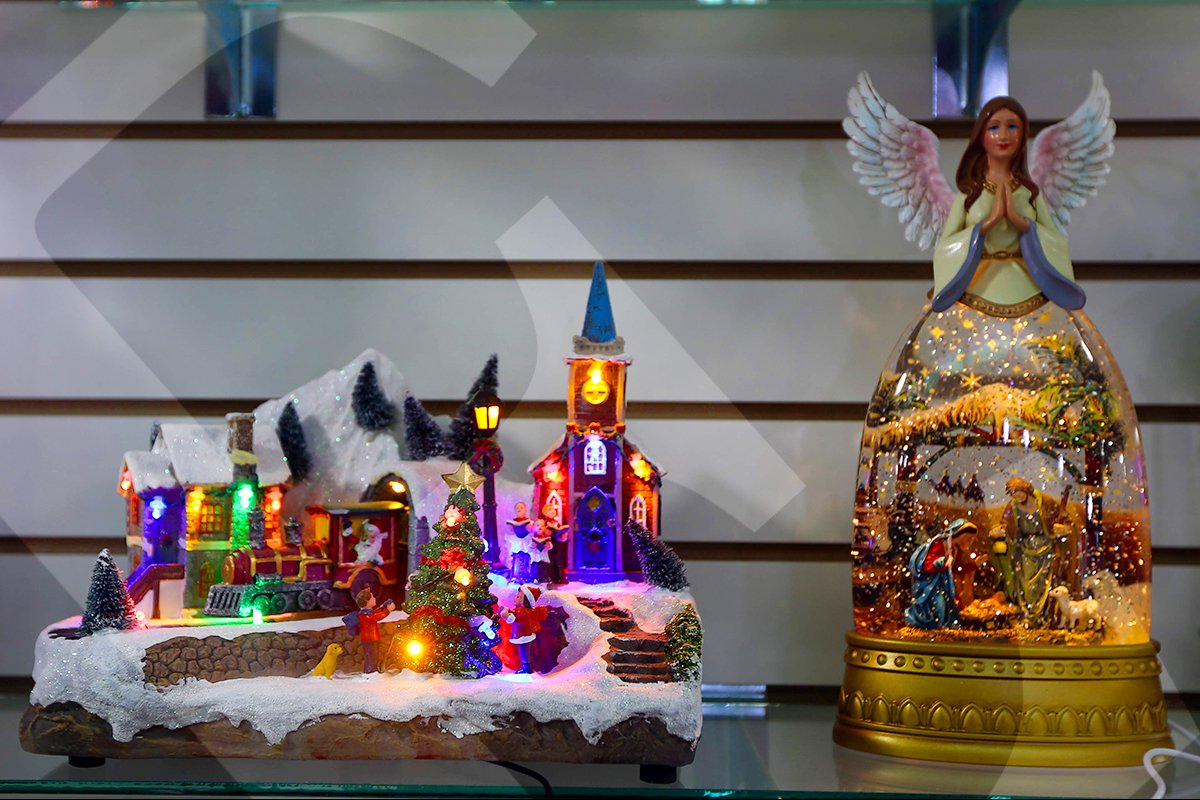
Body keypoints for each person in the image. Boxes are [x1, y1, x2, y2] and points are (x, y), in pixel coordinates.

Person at [932, 96, 1085, 313]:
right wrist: (986, 225)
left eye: (1012, 127)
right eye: (994, 127)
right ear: (981, 136)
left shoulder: (1028, 193)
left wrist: (1022, 223)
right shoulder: (969, 194)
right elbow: (945, 247)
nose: (1003, 135)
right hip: (978, 289)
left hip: (1027, 288)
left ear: (1022, 135)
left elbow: (1056, 242)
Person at [991, 478, 1060, 624]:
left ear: (1026, 490)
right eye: (1013, 494)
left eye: (1019, 493)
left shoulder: (1045, 501)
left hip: (1046, 548)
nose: (1017, 497)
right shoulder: (1013, 506)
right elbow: (1006, 523)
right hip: (1025, 549)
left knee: (1044, 583)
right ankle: (1029, 614)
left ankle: (1042, 616)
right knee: (1027, 585)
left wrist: (1060, 528)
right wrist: (1001, 530)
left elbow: (1060, 517)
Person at [905, 519, 976, 629]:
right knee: (939, 605)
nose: (968, 542)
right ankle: (933, 627)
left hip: (944, 583)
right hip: (930, 584)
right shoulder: (939, 544)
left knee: (950, 606)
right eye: (966, 538)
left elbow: (956, 569)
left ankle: (945, 626)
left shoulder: (955, 549)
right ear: (957, 534)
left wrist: (973, 565)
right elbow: (927, 565)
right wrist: (942, 562)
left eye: (971, 539)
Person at [343, 588, 394, 674]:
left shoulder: (367, 613)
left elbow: (374, 613)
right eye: (372, 597)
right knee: (371, 656)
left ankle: (372, 670)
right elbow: (376, 617)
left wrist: (383, 607)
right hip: (370, 639)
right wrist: (388, 611)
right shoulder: (365, 615)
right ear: (367, 601)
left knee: (373, 655)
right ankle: (370, 671)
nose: (374, 599)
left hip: (371, 639)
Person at [502, 585, 550, 674]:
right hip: (526, 634)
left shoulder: (521, 611)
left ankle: (527, 669)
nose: (515, 598)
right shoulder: (524, 610)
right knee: (525, 652)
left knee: (524, 653)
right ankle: (526, 667)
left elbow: (512, 618)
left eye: (518, 597)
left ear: (523, 600)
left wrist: (505, 613)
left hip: (523, 635)